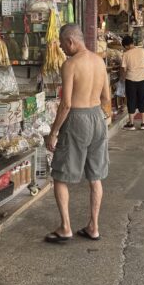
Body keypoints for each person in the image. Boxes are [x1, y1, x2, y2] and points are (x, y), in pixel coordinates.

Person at [45, 24, 110, 244]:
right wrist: (101, 119)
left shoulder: (70, 64)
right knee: (95, 176)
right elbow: (107, 98)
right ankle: (94, 226)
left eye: (63, 44)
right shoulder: (100, 61)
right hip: (97, 117)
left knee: (60, 176)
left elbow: (66, 104)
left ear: (71, 41)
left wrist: (53, 133)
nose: (62, 49)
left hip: (77, 119)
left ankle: (65, 227)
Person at [120, 35, 144, 130]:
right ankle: (143, 123)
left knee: (131, 100)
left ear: (126, 46)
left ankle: (131, 124)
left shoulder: (126, 54)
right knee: (143, 99)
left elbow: (123, 68)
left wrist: (122, 78)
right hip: (143, 78)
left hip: (131, 79)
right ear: (132, 43)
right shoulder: (142, 50)